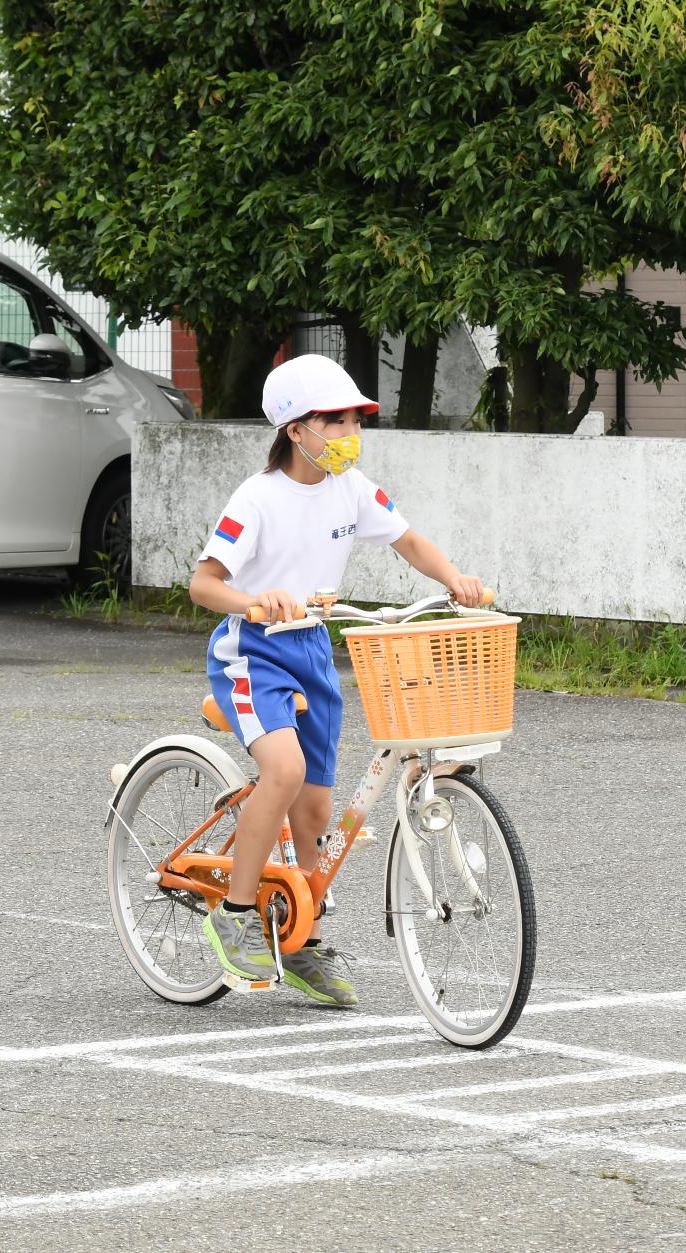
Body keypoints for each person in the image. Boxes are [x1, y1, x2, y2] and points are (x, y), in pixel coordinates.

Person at [186, 353, 484, 1006]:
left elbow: (408, 541)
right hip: (252, 652)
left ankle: (304, 939)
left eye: (355, 419)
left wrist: (454, 579)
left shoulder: (353, 487)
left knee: (316, 810)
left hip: (313, 651)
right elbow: (204, 582)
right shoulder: (257, 498)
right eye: (335, 420)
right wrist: (256, 600)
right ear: (296, 429)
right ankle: (235, 913)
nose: (349, 431)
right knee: (284, 772)